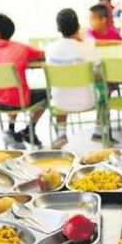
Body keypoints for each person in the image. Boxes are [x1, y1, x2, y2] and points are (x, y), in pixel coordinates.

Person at [0, 13, 45, 148]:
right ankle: (29, 129)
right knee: (47, 93)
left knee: (10, 91)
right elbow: (41, 55)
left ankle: (10, 130)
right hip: (19, 102)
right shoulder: (22, 48)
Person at [44, 8, 101, 149]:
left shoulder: (50, 49)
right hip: (88, 101)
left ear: (58, 28)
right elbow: (99, 73)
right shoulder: (87, 48)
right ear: (77, 26)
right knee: (105, 86)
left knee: (61, 89)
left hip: (59, 104)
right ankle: (99, 129)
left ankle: (61, 133)